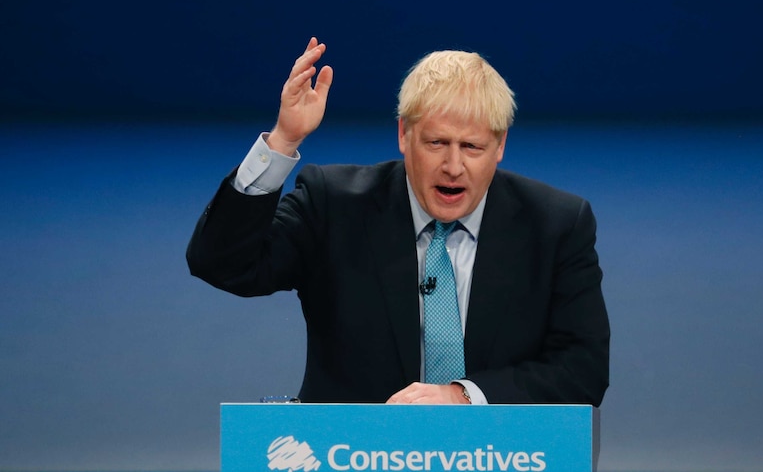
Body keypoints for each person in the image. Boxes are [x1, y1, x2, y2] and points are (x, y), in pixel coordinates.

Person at [187, 37, 610, 405]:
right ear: (404, 135)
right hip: (355, 456)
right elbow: (224, 264)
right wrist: (283, 141)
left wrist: (464, 397)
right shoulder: (333, 205)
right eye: (436, 142)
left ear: (500, 146)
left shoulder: (556, 225)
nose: (453, 166)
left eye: (473, 147)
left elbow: (582, 369)